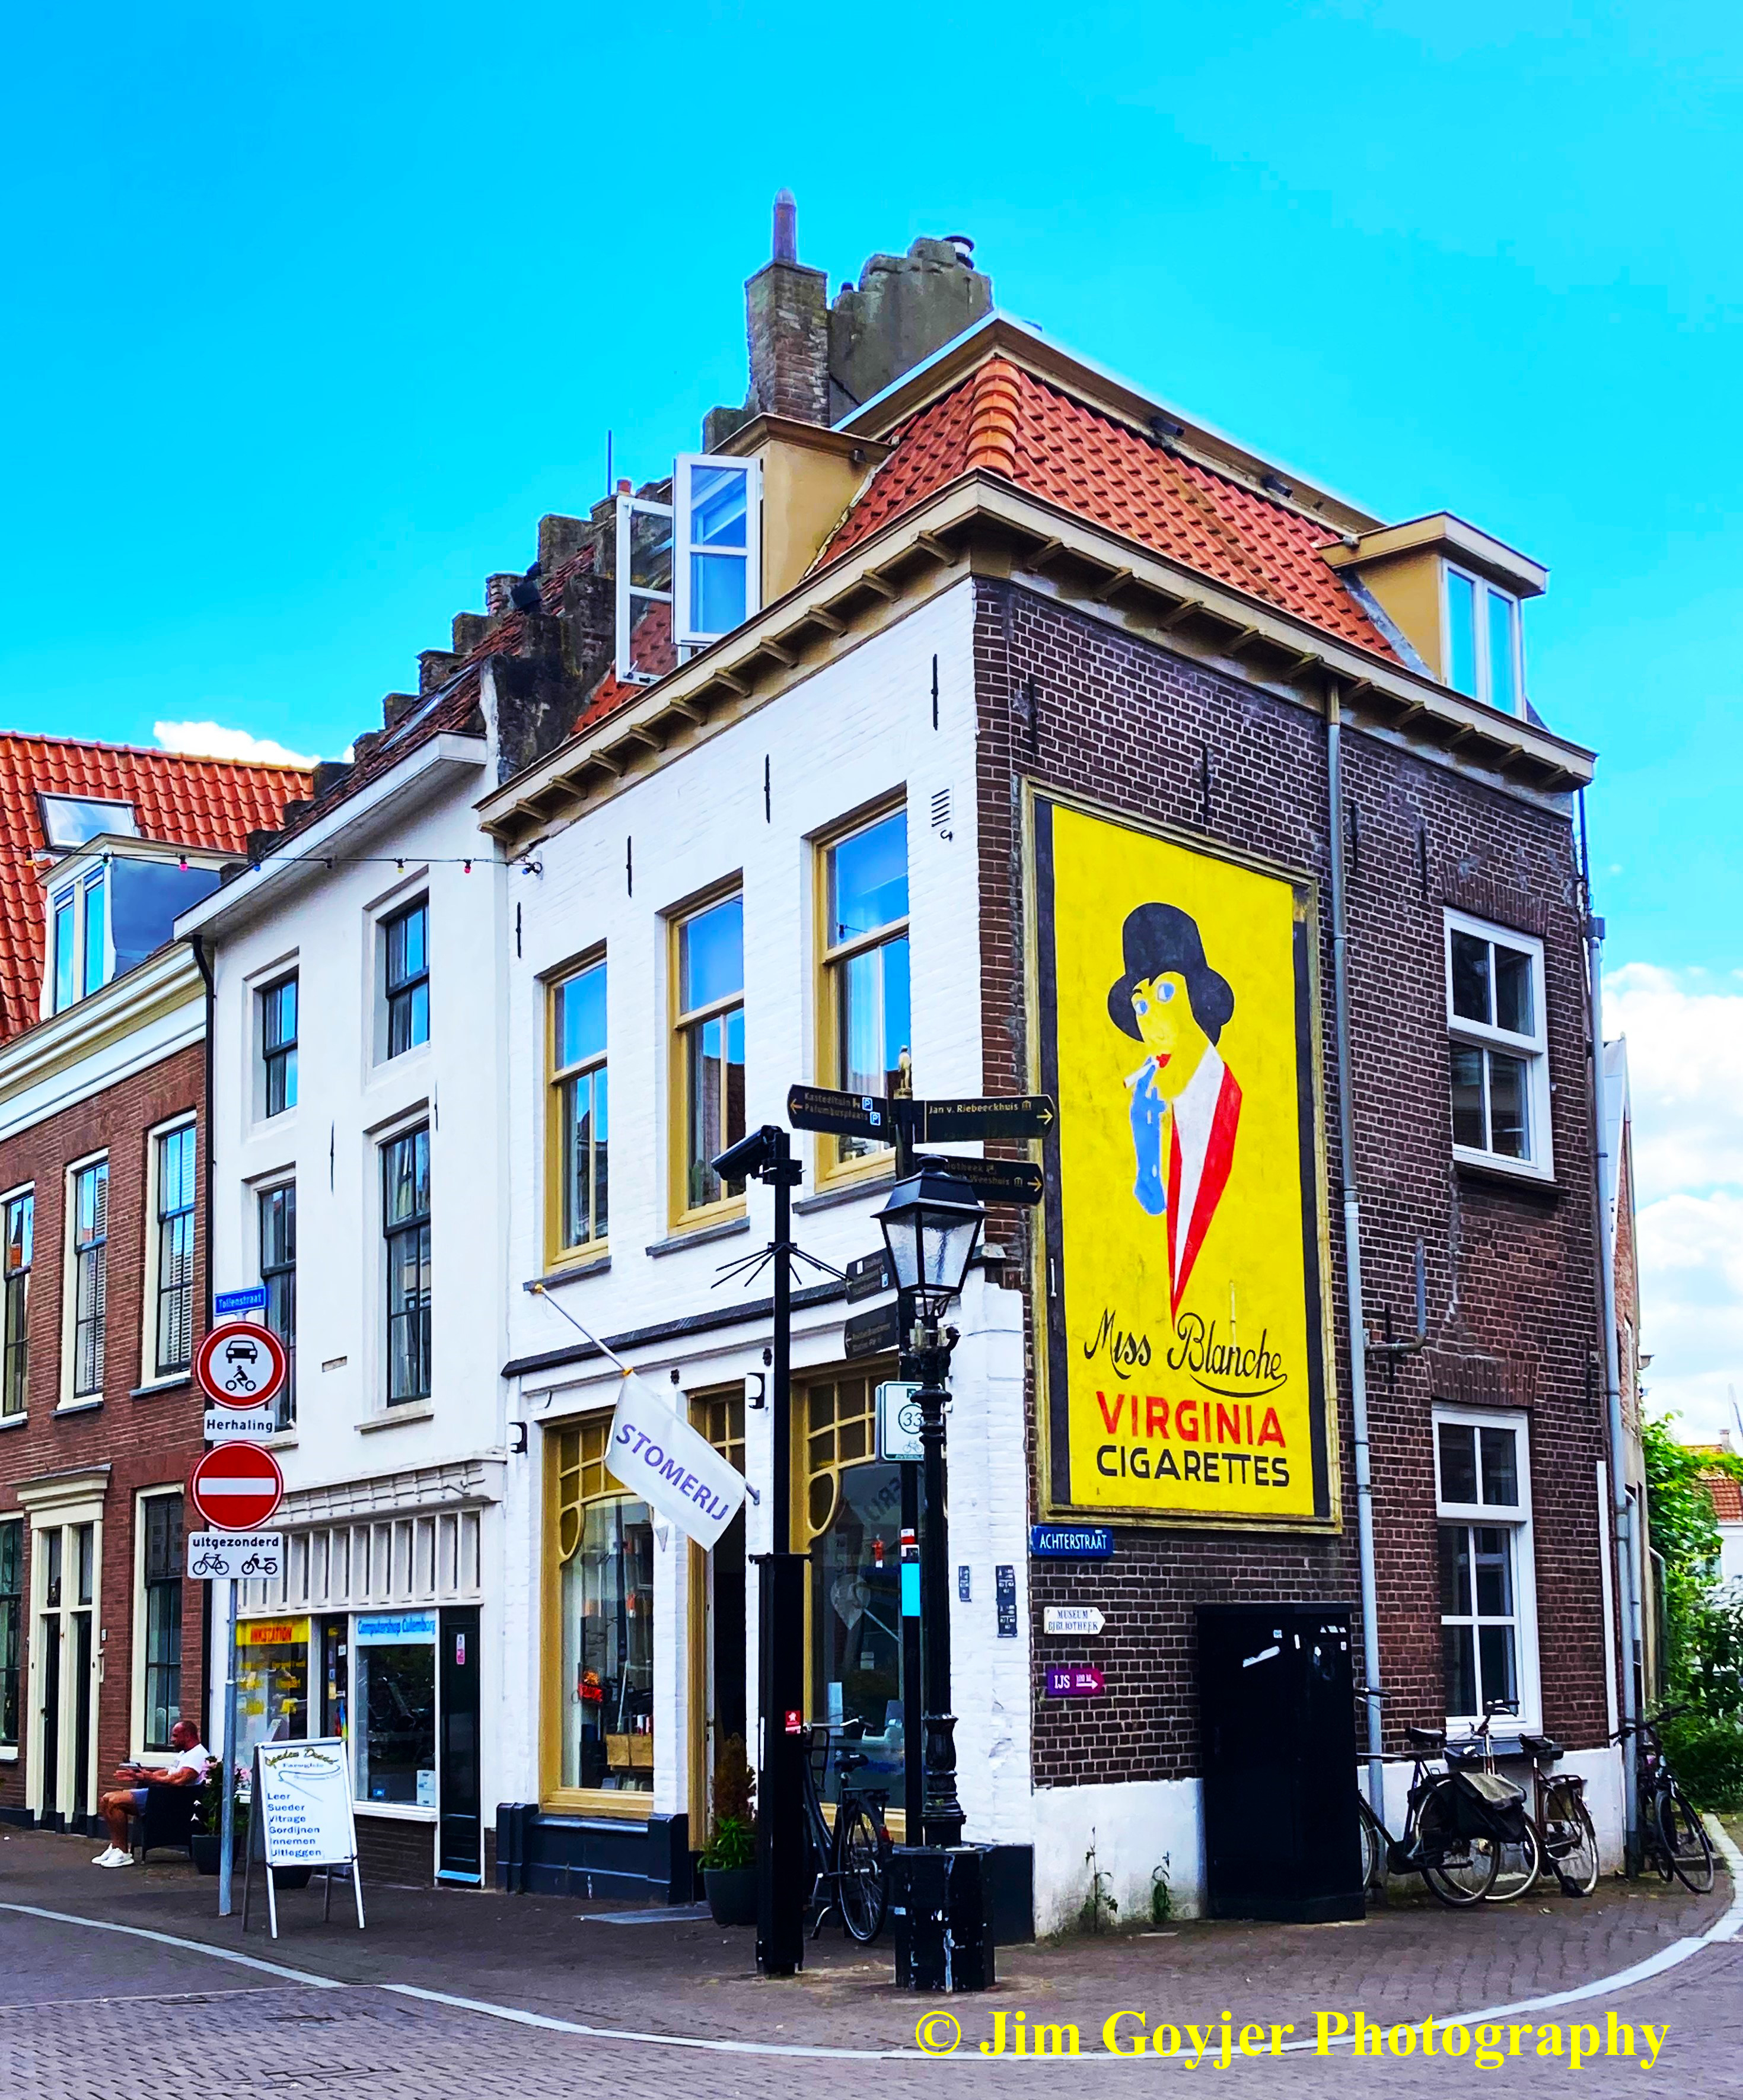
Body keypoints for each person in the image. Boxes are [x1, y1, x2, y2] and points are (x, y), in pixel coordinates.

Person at [1107, 901, 1243, 1315]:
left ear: (1200, 1000)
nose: (1151, 1023)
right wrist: (1147, 1167)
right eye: (1141, 1005)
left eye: (1165, 993)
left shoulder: (1228, 1103)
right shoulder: (1153, 1110)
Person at [92, 1717, 212, 1867]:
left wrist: (152, 1778)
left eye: (175, 1736)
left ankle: (123, 1853)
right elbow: (170, 1772)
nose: (172, 1740)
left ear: (188, 1736)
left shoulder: (197, 1755)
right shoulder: (185, 1754)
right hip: (161, 1795)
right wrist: (142, 1776)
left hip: (168, 1801)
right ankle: (116, 1847)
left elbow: (179, 1780)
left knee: (114, 1801)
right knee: (105, 1800)